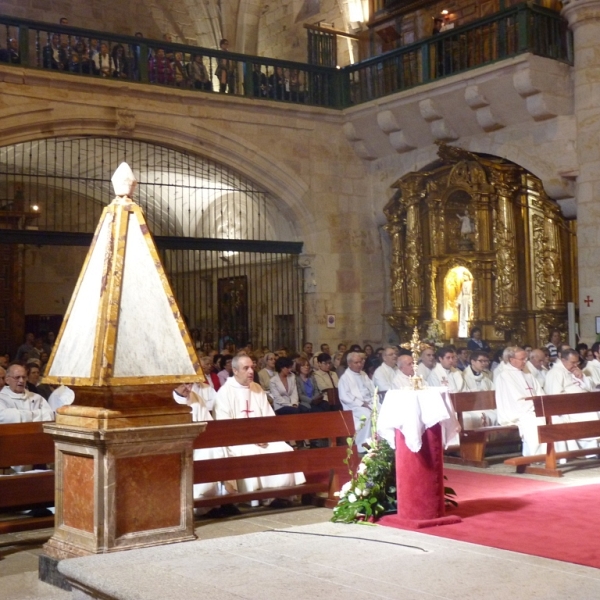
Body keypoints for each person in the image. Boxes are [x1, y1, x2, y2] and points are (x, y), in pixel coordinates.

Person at [214, 355, 305, 494]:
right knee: (249, 452)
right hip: (238, 441)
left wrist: (265, 436)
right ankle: (256, 496)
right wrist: (251, 438)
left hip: (262, 439)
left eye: (252, 367)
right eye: (246, 368)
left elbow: (269, 419)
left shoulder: (257, 388)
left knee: (284, 449)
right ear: (235, 370)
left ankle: (281, 494)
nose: (251, 371)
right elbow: (224, 428)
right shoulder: (224, 392)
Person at [173, 382, 237, 506]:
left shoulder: (196, 398)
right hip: (184, 447)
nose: (189, 388)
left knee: (221, 448)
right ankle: (205, 502)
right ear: (175, 384)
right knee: (211, 452)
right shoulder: (169, 400)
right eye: (185, 384)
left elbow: (209, 424)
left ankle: (226, 499)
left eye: (190, 384)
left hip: (201, 442)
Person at [545, 348, 598, 453]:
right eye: (572, 362)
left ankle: (595, 448)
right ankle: (589, 451)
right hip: (568, 408)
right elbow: (555, 396)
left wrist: (582, 377)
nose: (575, 365)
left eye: (577, 362)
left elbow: (591, 388)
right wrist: (576, 401)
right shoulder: (556, 373)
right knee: (590, 414)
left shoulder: (574, 370)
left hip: (583, 404)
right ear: (563, 360)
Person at [494, 346, 544, 456]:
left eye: (526, 358)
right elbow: (515, 400)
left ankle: (553, 455)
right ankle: (536, 456)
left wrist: (543, 405)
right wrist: (535, 407)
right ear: (512, 360)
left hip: (532, 408)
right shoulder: (504, 376)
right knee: (535, 422)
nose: (525, 361)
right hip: (516, 412)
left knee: (553, 418)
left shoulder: (527, 373)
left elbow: (539, 392)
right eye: (522, 359)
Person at [338, 352, 376, 451]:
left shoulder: (363, 374)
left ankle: (379, 443)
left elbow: (371, 389)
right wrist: (362, 404)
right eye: (356, 363)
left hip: (369, 403)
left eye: (360, 362)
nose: (359, 365)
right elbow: (344, 397)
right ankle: (363, 445)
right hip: (354, 407)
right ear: (349, 363)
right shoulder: (345, 378)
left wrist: (373, 400)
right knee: (367, 416)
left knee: (383, 412)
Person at [456, 273, 473, 338]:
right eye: (463, 276)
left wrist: (470, 300)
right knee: (462, 315)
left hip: (468, 299)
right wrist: (458, 301)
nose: (464, 277)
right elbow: (461, 293)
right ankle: (462, 333)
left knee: (467, 314)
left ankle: (467, 331)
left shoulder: (471, 283)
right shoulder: (463, 283)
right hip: (463, 300)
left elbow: (471, 292)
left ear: (468, 276)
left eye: (465, 276)